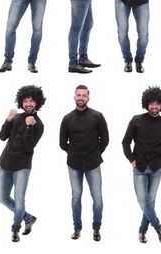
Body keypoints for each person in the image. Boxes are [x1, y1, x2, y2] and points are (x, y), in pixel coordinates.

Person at [122, 86, 161, 244]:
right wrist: (131, 159)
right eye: (151, 103)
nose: (154, 106)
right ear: (146, 103)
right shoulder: (136, 120)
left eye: (157, 103)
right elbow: (125, 142)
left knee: (149, 202)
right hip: (139, 168)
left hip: (156, 169)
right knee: (143, 201)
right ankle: (158, 228)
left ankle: (142, 231)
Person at [59, 85, 109, 241]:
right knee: (76, 197)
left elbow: (105, 139)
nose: (81, 98)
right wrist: (73, 152)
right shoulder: (67, 118)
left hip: (93, 163)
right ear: (74, 97)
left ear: (88, 97)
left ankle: (96, 228)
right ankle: (77, 228)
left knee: (98, 199)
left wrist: (95, 153)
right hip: (74, 164)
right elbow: (62, 143)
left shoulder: (98, 116)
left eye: (84, 95)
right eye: (78, 95)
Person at [0, 85, 46, 242]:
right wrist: (8, 120)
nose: (28, 104)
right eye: (25, 101)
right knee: (2, 198)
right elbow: (2, 137)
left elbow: (29, 146)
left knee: (19, 200)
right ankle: (28, 217)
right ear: (21, 102)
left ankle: (15, 230)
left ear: (37, 102)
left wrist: (29, 126)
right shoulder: (16, 117)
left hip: (22, 167)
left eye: (31, 101)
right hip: (5, 163)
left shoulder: (38, 124)